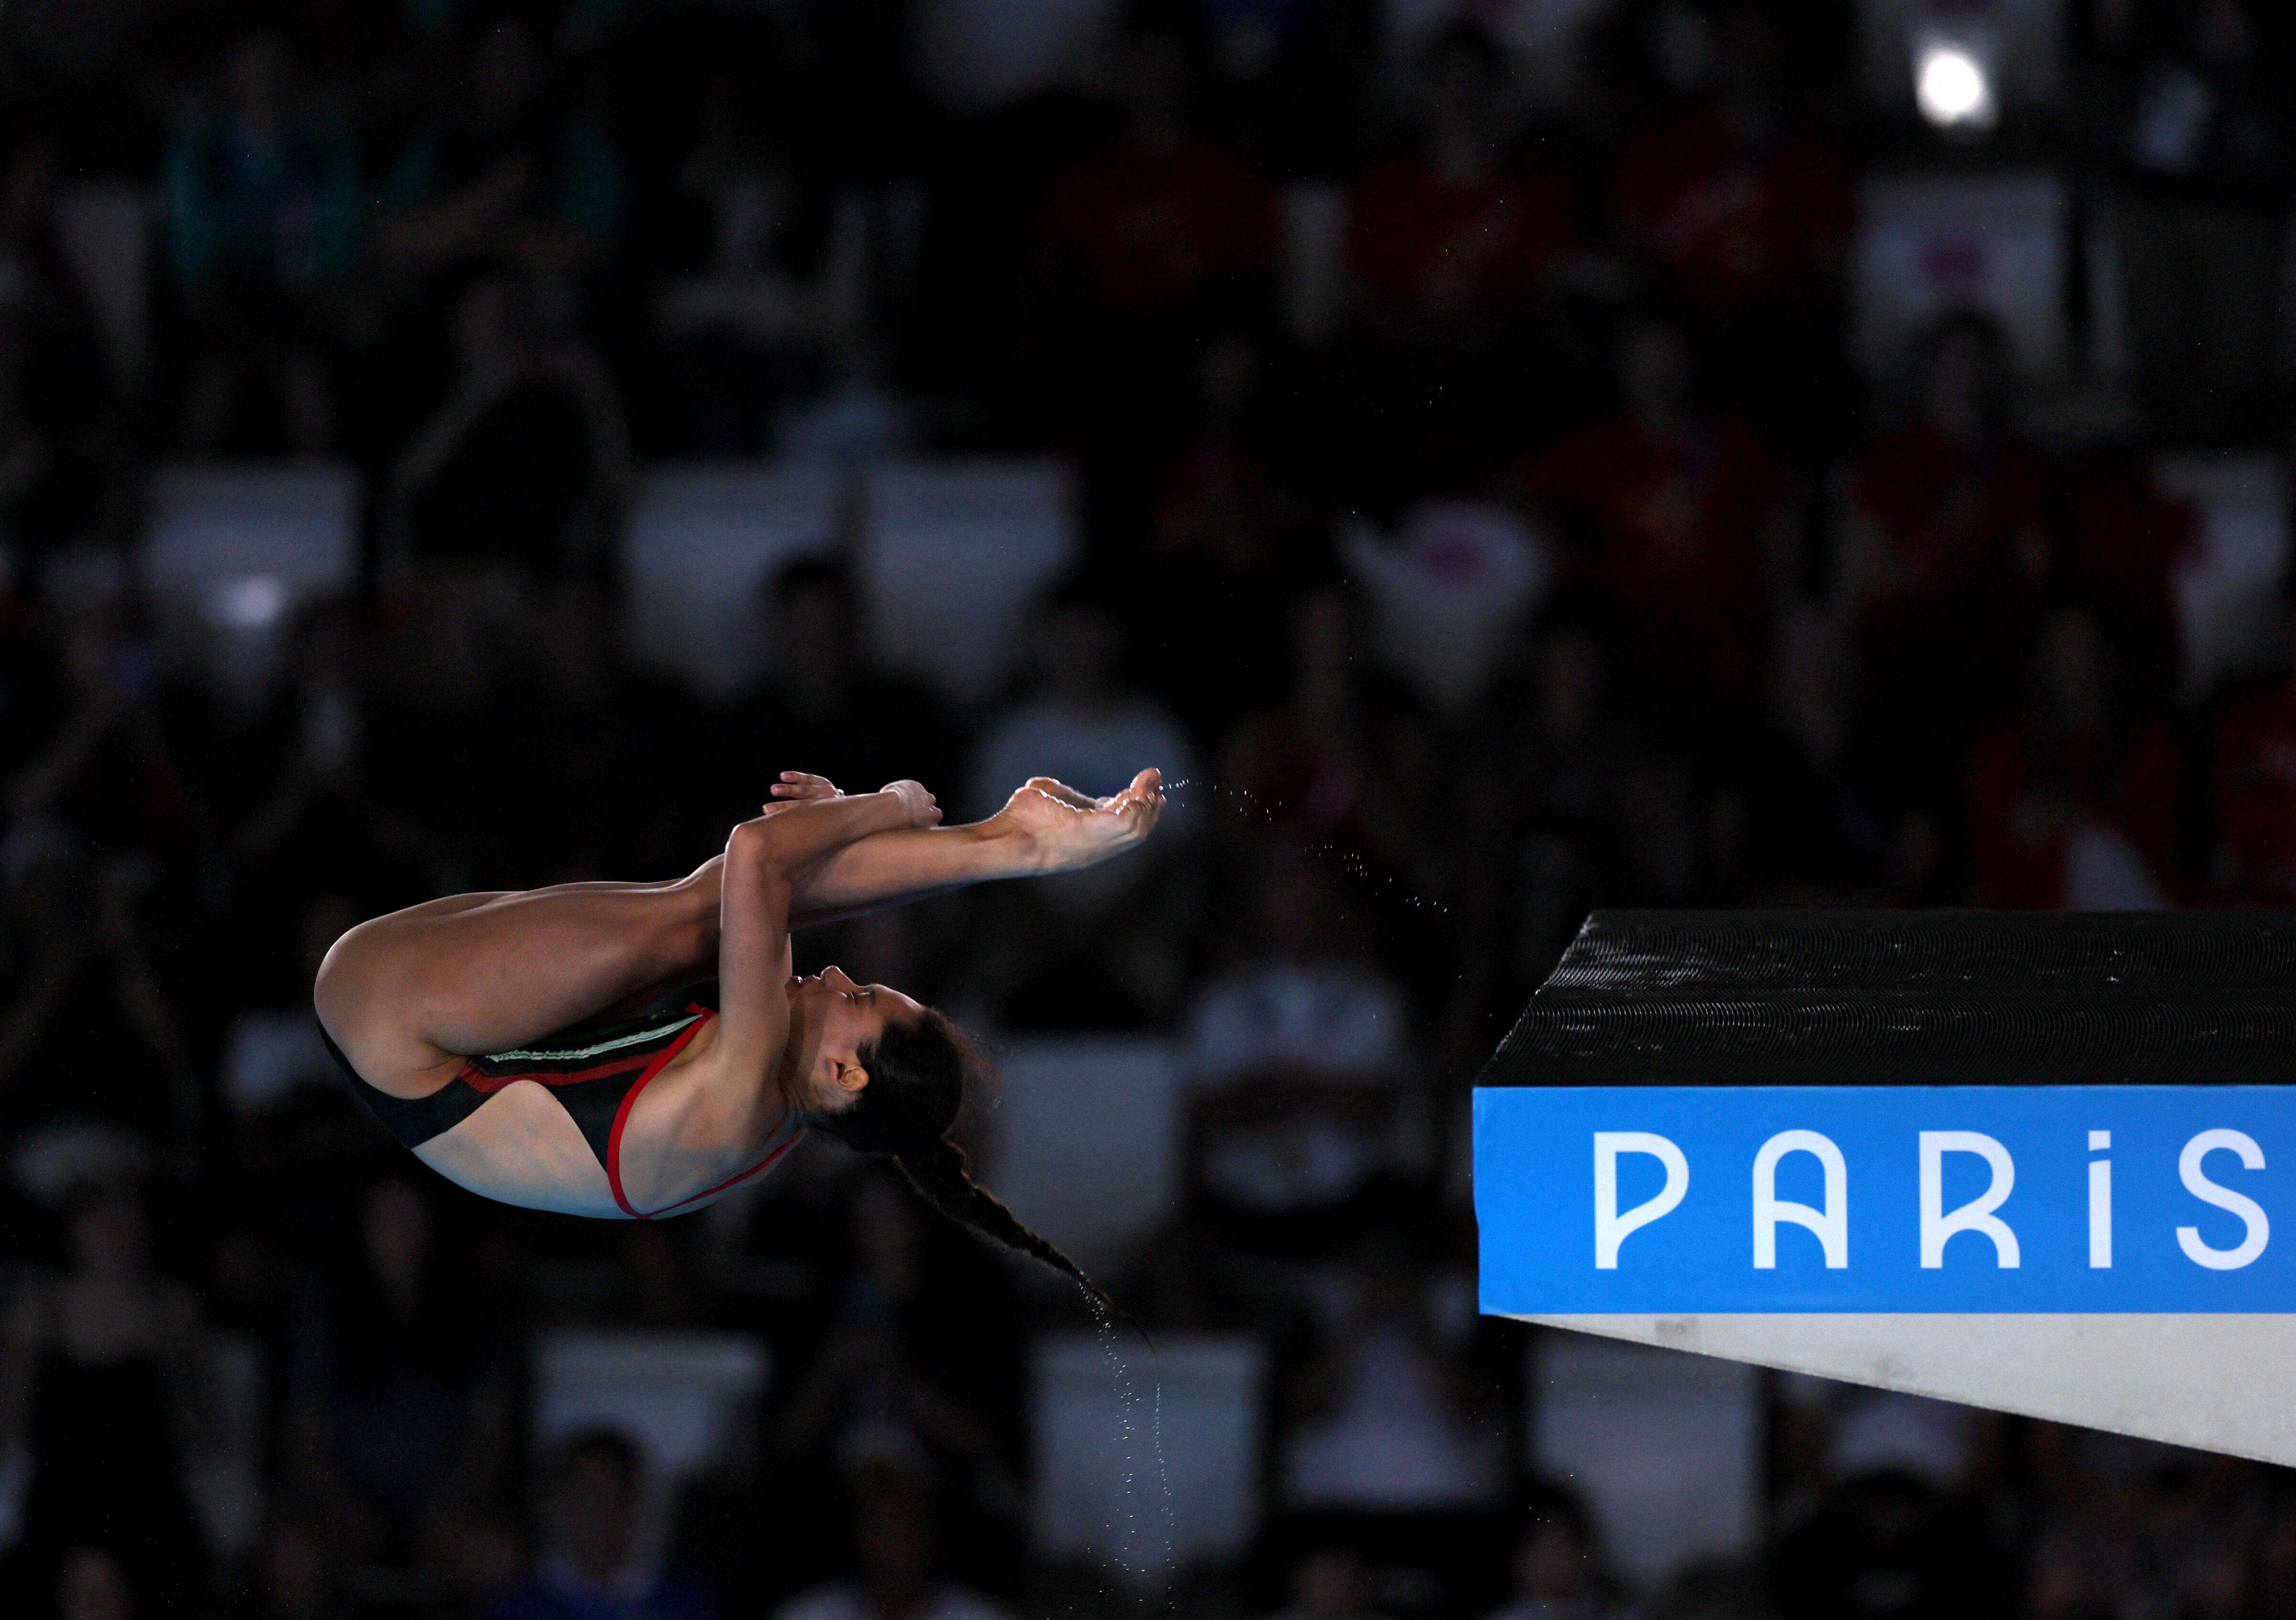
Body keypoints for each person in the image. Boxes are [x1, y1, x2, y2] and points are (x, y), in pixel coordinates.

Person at [313, 769, 1162, 1288]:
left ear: (846, 1073)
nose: (836, 975)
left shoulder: (746, 1088)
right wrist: (839, 822)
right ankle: (1015, 843)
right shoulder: (781, 1100)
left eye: (859, 996)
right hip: (428, 1055)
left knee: (699, 909)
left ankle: (1017, 846)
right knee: (712, 915)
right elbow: (768, 884)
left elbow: (758, 855)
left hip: (391, 1018)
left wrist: (885, 804)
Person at [486, 1430, 720, 1620]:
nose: (596, 1516)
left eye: (610, 1498)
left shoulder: (684, 1603)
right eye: (582, 1498)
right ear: (558, 1507)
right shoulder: (519, 1606)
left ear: (632, 1506)